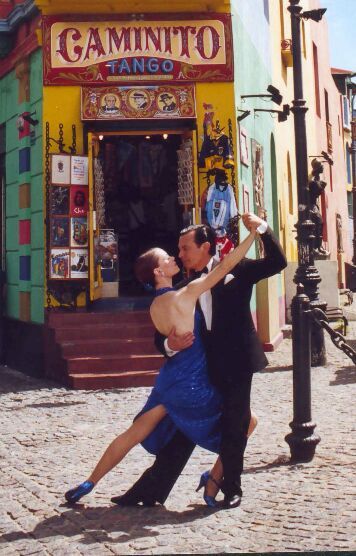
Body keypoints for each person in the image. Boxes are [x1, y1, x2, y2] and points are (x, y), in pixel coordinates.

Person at [64, 226, 258, 505]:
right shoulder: (186, 293)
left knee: (133, 433)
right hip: (192, 385)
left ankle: (89, 482)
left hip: (168, 382)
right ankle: (214, 480)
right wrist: (252, 235)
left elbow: (167, 339)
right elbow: (227, 264)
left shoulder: (154, 306)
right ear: (158, 272)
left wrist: (170, 344)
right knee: (246, 422)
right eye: (167, 258)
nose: (174, 259)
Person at [111, 213, 287, 509]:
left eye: (185, 248)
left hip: (237, 363)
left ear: (206, 247)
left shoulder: (236, 268)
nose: (179, 255)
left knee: (235, 423)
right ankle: (150, 489)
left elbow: (278, 262)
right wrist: (169, 344)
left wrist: (263, 230)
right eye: (178, 250)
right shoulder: (182, 283)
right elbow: (162, 332)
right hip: (202, 368)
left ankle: (230, 488)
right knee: (183, 428)